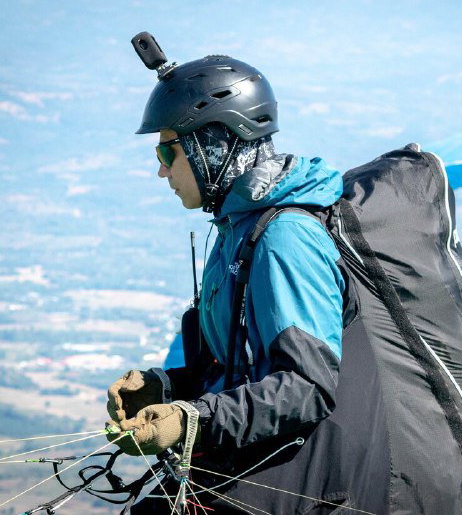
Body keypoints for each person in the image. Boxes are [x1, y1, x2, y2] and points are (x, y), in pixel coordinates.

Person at [105, 54, 348, 512]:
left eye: (167, 152)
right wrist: (168, 390)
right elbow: (240, 367)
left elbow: (307, 386)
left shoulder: (284, 237)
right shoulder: (236, 226)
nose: (161, 170)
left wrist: (191, 418)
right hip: (242, 461)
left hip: (283, 479)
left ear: (212, 143)